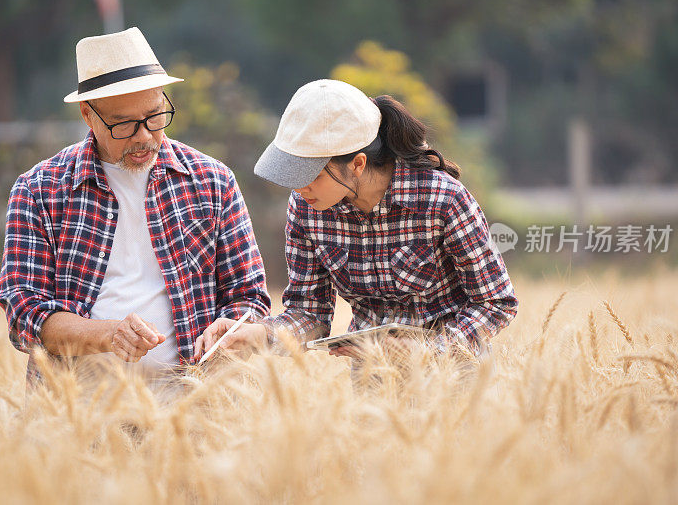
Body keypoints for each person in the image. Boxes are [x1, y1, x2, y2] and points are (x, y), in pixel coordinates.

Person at [0, 27, 269, 385]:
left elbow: (249, 297)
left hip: (193, 412)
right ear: (88, 115)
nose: (144, 136)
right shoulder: (39, 190)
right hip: (75, 418)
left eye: (155, 116)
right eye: (124, 124)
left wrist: (232, 326)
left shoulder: (213, 181)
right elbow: (24, 312)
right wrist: (107, 334)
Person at [193, 79, 517, 364]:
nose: (300, 187)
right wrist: (259, 334)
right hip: (371, 385)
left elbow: (496, 301)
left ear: (358, 163)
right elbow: (309, 314)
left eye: (313, 175)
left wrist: (431, 350)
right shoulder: (307, 208)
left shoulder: (442, 199)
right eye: (294, 173)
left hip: (456, 380)